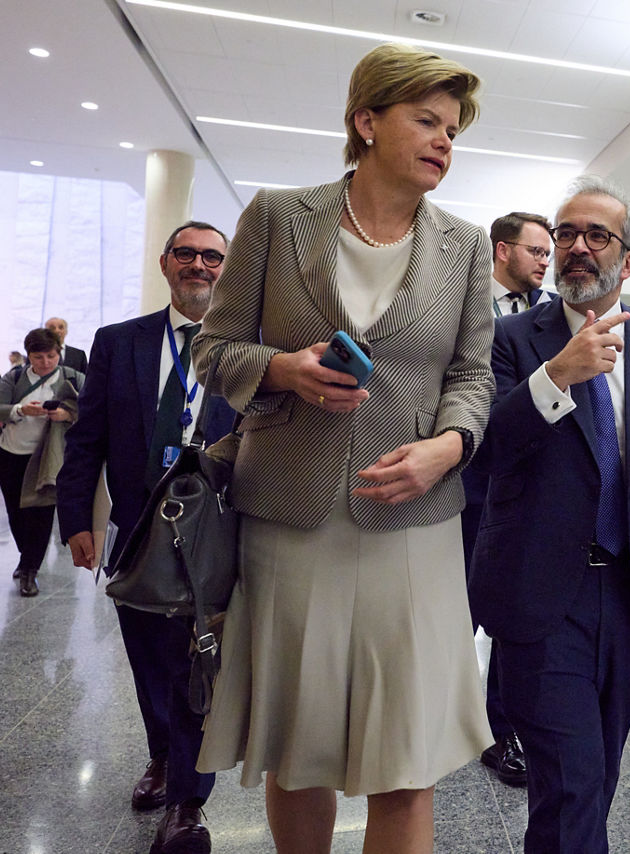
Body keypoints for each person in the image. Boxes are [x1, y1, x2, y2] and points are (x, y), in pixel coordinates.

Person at [191, 43, 495, 854]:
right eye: (426, 120)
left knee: (408, 757)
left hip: (415, 522)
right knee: (301, 747)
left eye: (454, 129)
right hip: (291, 519)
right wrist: (282, 368)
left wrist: (451, 445)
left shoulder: (464, 246)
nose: (444, 141)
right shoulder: (279, 216)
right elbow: (213, 351)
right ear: (366, 121)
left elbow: (473, 374)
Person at [468, 174, 630, 853]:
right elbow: (482, 447)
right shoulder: (510, 337)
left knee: (596, 773)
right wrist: (556, 376)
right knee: (572, 781)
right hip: (543, 593)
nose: (575, 247)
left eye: (595, 236)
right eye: (565, 233)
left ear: (627, 261)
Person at [56, 221, 236, 854]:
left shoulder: (250, 347)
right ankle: (162, 756)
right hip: (136, 532)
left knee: (196, 666)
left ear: (227, 268)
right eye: (186, 254)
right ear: (165, 263)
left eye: (213, 257)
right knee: (147, 660)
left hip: (216, 536)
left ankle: (188, 802)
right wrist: (76, 518)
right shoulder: (120, 342)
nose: (199, 266)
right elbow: (88, 438)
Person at [466, 210, 554, 788]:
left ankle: (503, 730)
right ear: (502, 251)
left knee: (504, 610)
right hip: (464, 481)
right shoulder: (465, 305)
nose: (546, 261)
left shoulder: (552, 317)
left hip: (526, 488)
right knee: (455, 609)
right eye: (537, 250)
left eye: (548, 252)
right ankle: (438, 714)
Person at [0, 328, 83, 596]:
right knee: (16, 514)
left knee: (40, 515)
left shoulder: (72, 378)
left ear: (58, 353)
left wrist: (66, 414)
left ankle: (30, 571)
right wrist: (20, 410)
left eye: (51, 356)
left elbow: (93, 408)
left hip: (49, 460)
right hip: (12, 455)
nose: (45, 363)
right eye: (38, 357)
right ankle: (25, 556)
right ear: (28, 356)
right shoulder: (15, 377)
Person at [488, 211, 553, 316]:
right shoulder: (463, 302)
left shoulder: (554, 307)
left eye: (546, 254)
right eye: (536, 251)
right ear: (503, 251)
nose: (545, 263)